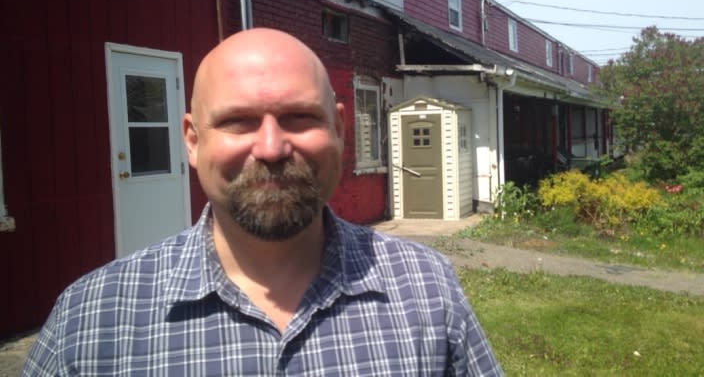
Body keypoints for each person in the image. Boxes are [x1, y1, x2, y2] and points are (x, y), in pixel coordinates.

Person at [21, 28, 503, 375]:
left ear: (340, 129)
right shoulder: (90, 323)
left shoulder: (428, 290)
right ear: (191, 140)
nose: (271, 148)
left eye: (298, 117)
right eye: (238, 122)